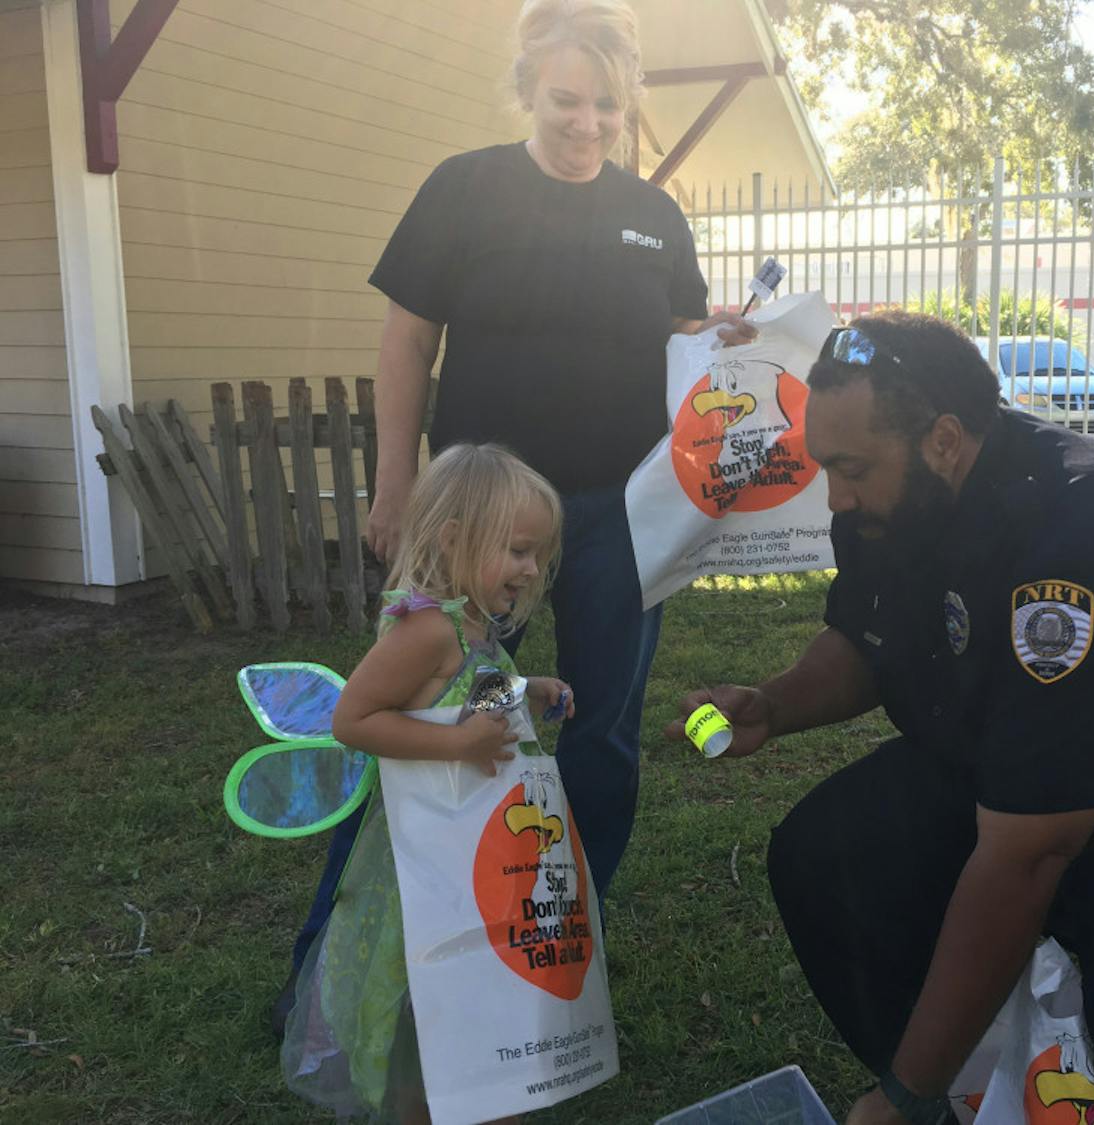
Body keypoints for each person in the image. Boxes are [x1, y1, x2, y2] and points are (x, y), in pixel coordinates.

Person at [670, 312, 1094, 1125]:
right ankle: (975, 1097)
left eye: (851, 468)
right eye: (827, 465)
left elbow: (1027, 857)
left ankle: (924, 1092)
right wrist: (776, 703)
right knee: (828, 855)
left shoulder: (1075, 535)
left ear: (944, 439)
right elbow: (868, 631)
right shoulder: (895, 500)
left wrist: (900, 1093)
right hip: (1061, 765)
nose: (836, 494)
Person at [274, 0, 755, 1034]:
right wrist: (394, 484)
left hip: (624, 513)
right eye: (566, 101)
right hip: (481, 515)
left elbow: (680, 342)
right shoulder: (465, 188)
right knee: (425, 713)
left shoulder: (655, 218)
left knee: (602, 728)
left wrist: (721, 331)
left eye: (608, 108)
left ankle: (558, 942)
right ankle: (331, 965)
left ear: (629, 108)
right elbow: (406, 343)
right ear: (529, 89)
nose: (586, 124)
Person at [281, 442, 574, 1124]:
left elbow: (471, 686)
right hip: (422, 854)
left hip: (466, 838)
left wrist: (529, 688)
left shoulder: (469, 623)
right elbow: (353, 719)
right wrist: (454, 743)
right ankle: (429, 1106)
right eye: (520, 550)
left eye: (537, 554)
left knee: (471, 984)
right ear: (453, 539)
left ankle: (474, 1098)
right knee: (425, 999)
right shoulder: (425, 629)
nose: (531, 569)